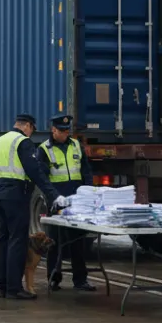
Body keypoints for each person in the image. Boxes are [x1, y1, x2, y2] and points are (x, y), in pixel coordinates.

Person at [0, 113, 61, 299]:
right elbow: (34, 171)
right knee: (18, 240)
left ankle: (2, 287)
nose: (31, 134)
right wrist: (52, 194)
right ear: (28, 126)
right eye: (32, 129)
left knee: (3, 240)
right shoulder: (23, 142)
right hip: (16, 196)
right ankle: (14, 289)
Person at [40, 114, 96, 291]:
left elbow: (86, 170)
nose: (65, 134)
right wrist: (54, 197)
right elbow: (43, 178)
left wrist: (88, 191)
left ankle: (80, 280)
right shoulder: (44, 149)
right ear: (53, 130)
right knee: (54, 242)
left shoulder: (76, 146)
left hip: (76, 202)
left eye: (67, 131)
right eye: (62, 131)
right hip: (57, 202)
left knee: (77, 242)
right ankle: (54, 278)